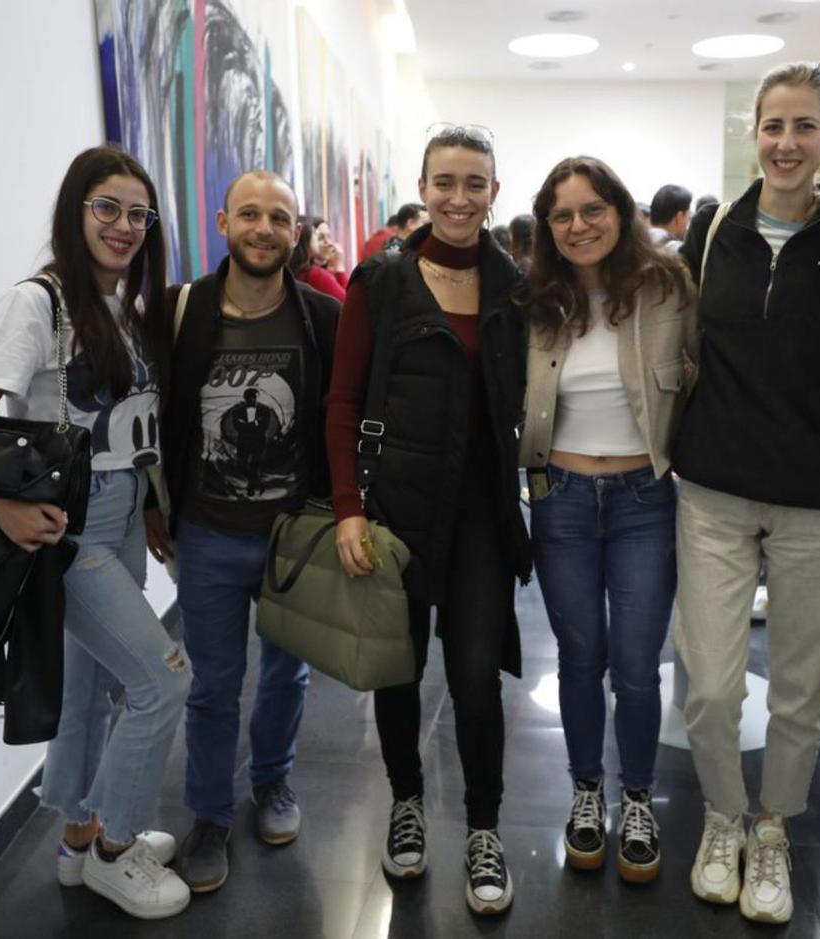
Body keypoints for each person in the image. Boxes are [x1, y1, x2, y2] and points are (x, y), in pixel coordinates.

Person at [0, 146, 191, 919]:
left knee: (91, 688)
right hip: (69, 527)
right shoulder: (36, 302)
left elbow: (124, 427)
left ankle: (79, 839)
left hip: (120, 510)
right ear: (75, 211)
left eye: (137, 214)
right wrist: (1, 507)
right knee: (162, 679)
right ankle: (118, 850)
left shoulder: (123, 307)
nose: (123, 226)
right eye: (107, 208)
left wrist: (151, 502)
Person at [673, 62, 820, 925]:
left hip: (819, 499)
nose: (787, 142)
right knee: (713, 686)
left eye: (804, 126)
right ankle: (722, 813)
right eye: (773, 125)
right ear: (754, 134)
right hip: (715, 488)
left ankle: (772, 826)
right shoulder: (713, 231)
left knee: (800, 687)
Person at [325, 124, 531, 916]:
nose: (458, 197)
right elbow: (343, 400)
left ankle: (485, 825)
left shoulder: (515, 285)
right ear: (422, 186)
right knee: (398, 665)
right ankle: (406, 802)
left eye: (474, 182)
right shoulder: (379, 282)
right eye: (444, 181)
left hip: (481, 513)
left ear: (493, 193)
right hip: (396, 511)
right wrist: (348, 508)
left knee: (477, 675)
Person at [144, 170, 340, 894]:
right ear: (223, 221)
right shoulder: (178, 310)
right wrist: (151, 501)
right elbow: (155, 412)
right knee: (213, 684)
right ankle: (208, 818)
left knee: (288, 673)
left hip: (295, 540)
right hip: (209, 533)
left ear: (296, 233)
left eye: (279, 218)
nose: (264, 228)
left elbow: (338, 420)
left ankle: (273, 782)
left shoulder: (323, 316)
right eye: (250, 214)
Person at [519, 156, 694, 882]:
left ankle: (639, 796)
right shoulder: (534, 301)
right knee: (580, 657)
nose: (579, 225)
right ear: (547, 228)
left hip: (643, 500)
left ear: (620, 213)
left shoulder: (667, 287)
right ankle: (587, 791)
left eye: (592, 209)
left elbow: (706, 377)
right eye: (562, 215)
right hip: (558, 496)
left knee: (637, 668)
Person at [290, 215, 348, 301]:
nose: (328, 243)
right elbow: (350, 304)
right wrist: (340, 269)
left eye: (329, 236)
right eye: (319, 237)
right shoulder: (317, 275)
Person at [648, 184, 693, 250]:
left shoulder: (636, 241)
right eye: (688, 217)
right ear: (679, 218)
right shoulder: (677, 251)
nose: (688, 225)